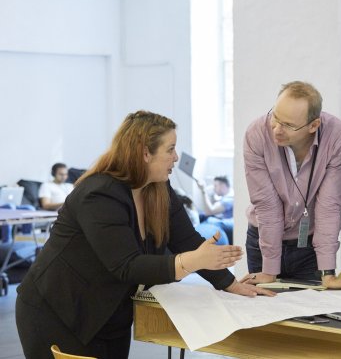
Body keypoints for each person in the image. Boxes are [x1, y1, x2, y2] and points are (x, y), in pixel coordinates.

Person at [15, 110, 274, 359]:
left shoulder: (158, 188)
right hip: (58, 311)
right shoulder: (100, 194)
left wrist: (229, 283)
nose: (175, 158)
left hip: (109, 313)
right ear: (145, 153)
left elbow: (187, 239)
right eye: (170, 150)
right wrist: (193, 261)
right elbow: (126, 265)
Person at [240, 81, 341, 289]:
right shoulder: (256, 134)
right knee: (264, 315)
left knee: (312, 315)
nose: (277, 130)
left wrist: (327, 272)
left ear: (313, 125)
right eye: (275, 117)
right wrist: (269, 270)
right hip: (263, 241)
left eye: (289, 125)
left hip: (308, 245)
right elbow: (267, 205)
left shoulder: (338, 137)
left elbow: (329, 206)